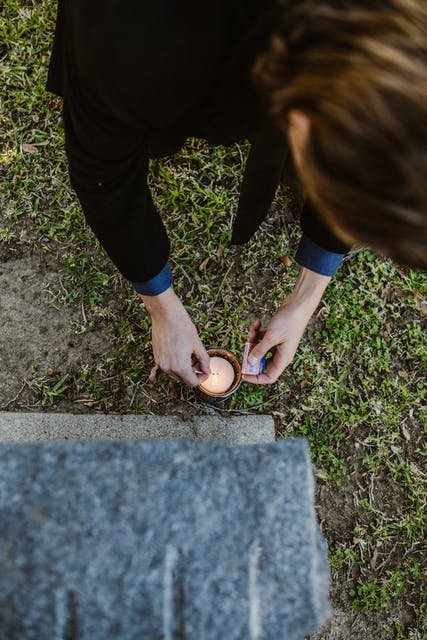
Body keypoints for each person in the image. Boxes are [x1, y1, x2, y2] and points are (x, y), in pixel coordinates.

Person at [46, 0, 427, 388]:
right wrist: (162, 308)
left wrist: (305, 299)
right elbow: (104, 178)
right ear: (298, 123)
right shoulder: (131, 51)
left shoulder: (399, 47)